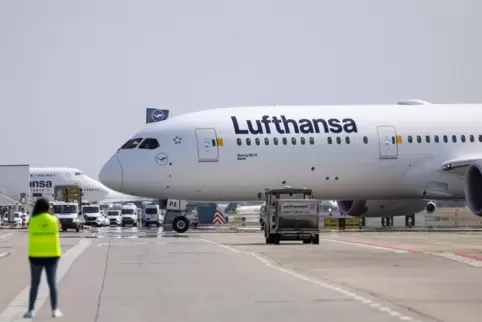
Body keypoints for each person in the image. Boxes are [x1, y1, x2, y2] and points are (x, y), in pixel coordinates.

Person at [23, 197, 63, 318]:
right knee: (52, 283)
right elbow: (59, 228)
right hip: (52, 255)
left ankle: (31, 310)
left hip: (35, 255)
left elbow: (28, 228)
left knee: (34, 284)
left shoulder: (33, 220)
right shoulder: (54, 219)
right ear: (48, 207)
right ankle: (54, 310)